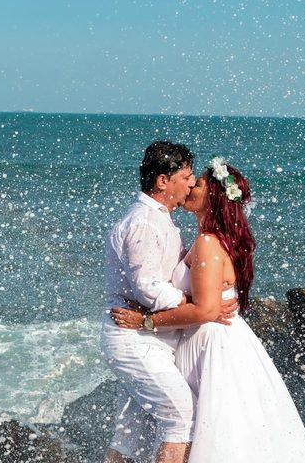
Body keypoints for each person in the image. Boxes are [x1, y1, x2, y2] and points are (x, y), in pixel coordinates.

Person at [111, 158, 305, 463]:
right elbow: (202, 304)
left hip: (210, 344)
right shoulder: (209, 240)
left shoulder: (208, 242)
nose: (192, 185)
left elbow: (205, 309)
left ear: (215, 196)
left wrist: (146, 321)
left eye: (200, 182)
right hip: (210, 340)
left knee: (205, 429)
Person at [100, 142, 238, 463]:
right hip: (135, 339)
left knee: (130, 436)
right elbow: (148, 288)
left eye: (194, 178)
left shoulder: (161, 220)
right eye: (187, 176)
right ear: (163, 181)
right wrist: (194, 302)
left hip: (149, 339)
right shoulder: (144, 223)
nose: (191, 183)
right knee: (181, 416)